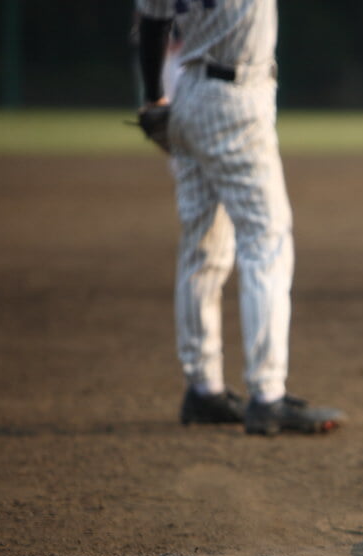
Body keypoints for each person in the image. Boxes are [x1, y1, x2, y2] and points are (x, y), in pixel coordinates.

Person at [135, 0, 345, 436]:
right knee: (265, 241)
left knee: (202, 245)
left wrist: (154, 94)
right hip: (237, 98)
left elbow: (153, 21)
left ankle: (203, 388)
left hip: (186, 92)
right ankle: (267, 395)